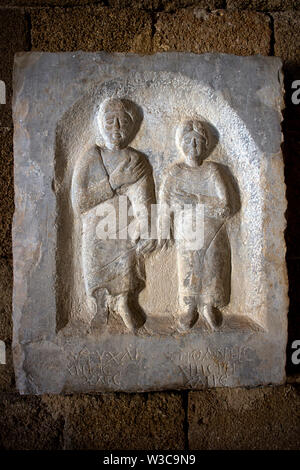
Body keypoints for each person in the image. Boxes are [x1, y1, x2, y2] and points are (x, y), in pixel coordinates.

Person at [71, 98, 156, 331]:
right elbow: (80, 202)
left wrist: (146, 227)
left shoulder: (136, 160)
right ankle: (100, 307)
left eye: (123, 122)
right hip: (96, 228)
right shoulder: (91, 156)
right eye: (110, 121)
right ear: (101, 124)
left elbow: (144, 197)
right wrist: (115, 181)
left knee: (125, 264)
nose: (116, 127)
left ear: (132, 126)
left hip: (123, 226)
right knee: (96, 264)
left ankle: (124, 303)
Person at [158, 119, 233, 330]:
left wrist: (193, 199)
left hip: (213, 229)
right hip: (186, 230)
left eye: (198, 141)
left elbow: (226, 205)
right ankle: (191, 308)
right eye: (189, 141)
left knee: (212, 266)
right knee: (189, 265)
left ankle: (209, 306)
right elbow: (165, 203)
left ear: (207, 145)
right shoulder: (175, 173)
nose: (193, 146)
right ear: (181, 144)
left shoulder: (212, 171)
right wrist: (165, 227)